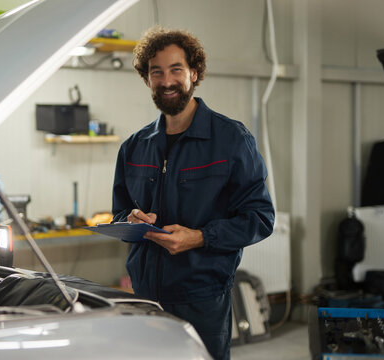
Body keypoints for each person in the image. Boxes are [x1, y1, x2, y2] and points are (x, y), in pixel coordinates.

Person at [111, 27, 275, 360]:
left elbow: (260, 218)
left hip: (201, 298)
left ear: (194, 73)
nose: (166, 80)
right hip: (145, 297)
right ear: (147, 79)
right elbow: (119, 215)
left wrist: (199, 237)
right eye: (156, 71)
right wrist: (132, 221)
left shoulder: (230, 139)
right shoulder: (134, 147)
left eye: (176, 70)